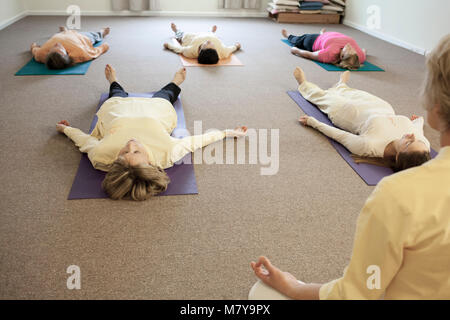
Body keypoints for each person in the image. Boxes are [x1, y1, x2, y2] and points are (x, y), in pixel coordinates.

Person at [249, 34, 450, 300]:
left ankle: (321, 85)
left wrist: (291, 287)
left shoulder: (399, 195)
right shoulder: (412, 153)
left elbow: (354, 294)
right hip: (369, 109)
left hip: (350, 114)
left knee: (261, 295)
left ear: (435, 105)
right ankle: (341, 84)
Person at [56, 65, 247, 201]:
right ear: (150, 162)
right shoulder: (168, 153)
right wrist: (228, 132)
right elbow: (197, 141)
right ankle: (175, 81)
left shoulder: (101, 156)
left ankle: (113, 80)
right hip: (155, 113)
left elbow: (84, 141)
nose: (130, 144)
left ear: (116, 160)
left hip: (119, 111)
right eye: (136, 152)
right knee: (165, 96)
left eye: (123, 153)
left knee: (117, 95)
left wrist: (66, 129)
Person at [294, 67, 431, 171]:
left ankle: (303, 83)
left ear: (398, 156)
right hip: (379, 106)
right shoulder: (423, 146)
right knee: (352, 93)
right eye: (416, 140)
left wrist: (313, 123)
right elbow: (418, 131)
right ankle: (341, 85)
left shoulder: (369, 146)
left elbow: (340, 136)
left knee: (322, 97)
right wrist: (419, 121)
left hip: (346, 112)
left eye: (408, 143)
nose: (412, 136)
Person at [282, 28, 366, 70]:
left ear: (342, 56)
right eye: (353, 50)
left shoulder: (329, 54)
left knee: (299, 39)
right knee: (326, 39)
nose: (350, 46)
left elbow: (309, 55)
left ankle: (288, 36)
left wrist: (296, 50)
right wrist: (364, 51)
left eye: (349, 50)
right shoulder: (359, 56)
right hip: (327, 37)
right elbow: (364, 52)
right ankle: (323, 34)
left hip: (313, 41)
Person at [30, 26, 110, 69]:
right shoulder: (80, 53)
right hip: (81, 37)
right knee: (95, 35)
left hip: (61, 35)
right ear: (66, 54)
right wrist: (104, 47)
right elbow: (94, 52)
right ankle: (102, 32)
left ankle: (65, 30)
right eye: (59, 48)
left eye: (54, 47)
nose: (57, 44)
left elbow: (34, 50)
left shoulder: (41, 54)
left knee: (59, 36)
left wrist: (33, 46)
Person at [163, 23, 241, 64]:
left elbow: (179, 49)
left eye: (206, 44)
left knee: (182, 36)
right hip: (210, 35)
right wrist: (237, 46)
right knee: (211, 36)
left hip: (191, 38)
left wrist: (169, 46)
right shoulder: (223, 52)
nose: (209, 42)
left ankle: (176, 30)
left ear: (200, 51)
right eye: (212, 45)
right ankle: (211, 31)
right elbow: (231, 49)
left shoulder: (190, 52)